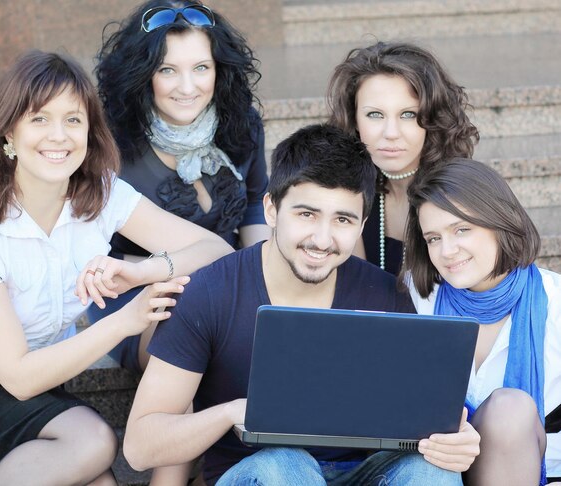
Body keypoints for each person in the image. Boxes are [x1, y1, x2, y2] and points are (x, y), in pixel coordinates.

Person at [0, 50, 232, 486]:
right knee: (94, 441)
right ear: (9, 136)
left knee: (101, 481)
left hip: (36, 378)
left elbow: (215, 249)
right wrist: (124, 322)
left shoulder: (102, 194)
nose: (59, 136)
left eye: (73, 120)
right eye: (39, 119)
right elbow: (16, 376)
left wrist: (143, 272)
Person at [122, 124, 480, 485]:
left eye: (342, 219)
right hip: (262, 474)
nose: (322, 239)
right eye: (306, 214)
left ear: (361, 226)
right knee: (283, 465)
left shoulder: (386, 296)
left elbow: (421, 423)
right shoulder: (211, 293)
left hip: (361, 473)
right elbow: (140, 448)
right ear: (272, 210)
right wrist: (233, 413)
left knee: (430, 470)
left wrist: (453, 443)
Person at [88, 0, 271, 374]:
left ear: (220, 69)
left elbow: (254, 203)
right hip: (135, 292)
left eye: (201, 68)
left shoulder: (242, 124)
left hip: (231, 277)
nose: (188, 87)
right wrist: (178, 270)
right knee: (187, 316)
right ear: (142, 74)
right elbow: (94, 255)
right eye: (167, 70)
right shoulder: (108, 146)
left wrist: (262, 280)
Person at [403, 158, 561, 485]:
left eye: (462, 229)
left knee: (510, 410)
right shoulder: (415, 299)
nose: (447, 251)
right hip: (434, 466)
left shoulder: (555, 302)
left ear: (499, 222)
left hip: (530, 467)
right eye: (433, 238)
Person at [327, 41, 479, 275]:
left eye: (408, 114)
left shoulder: (461, 194)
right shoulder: (349, 188)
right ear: (354, 119)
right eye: (375, 114)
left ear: (433, 117)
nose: (391, 133)